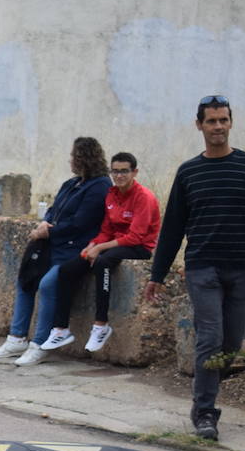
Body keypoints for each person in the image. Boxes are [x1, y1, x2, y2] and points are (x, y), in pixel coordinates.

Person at [143, 95, 245, 441]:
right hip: (202, 268)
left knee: (230, 343)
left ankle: (205, 393)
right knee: (210, 338)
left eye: (223, 120)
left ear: (231, 123)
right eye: (211, 121)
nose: (218, 126)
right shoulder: (188, 172)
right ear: (199, 125)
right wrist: (157, 275)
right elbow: (172, 228)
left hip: (240, 267)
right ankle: (205, 411)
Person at [0, 137, 112, 366]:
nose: (70, 160)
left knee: (47, 285)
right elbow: (54, 210)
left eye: (74, 156)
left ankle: (40, 344)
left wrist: (50, 231)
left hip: (75, 250)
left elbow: (81, 222)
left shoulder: (100, 186)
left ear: (84, 158)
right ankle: (17, 338)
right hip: (52, 246)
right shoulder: (71, 184)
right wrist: (45, 223)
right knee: (26, 280)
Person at [38, 151, 161, 354]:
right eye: (115, 171)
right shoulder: (112, 194)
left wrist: (100, 248)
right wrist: (93, 244)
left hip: (139, 247)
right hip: (114, 244)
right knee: (67, 270)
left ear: (135, 172)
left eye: (124, 171)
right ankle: (60, 329)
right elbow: (106, 230)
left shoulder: (143, 197)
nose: (119, 175)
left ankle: (101, 325)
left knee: (102, 262)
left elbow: (136, 237)